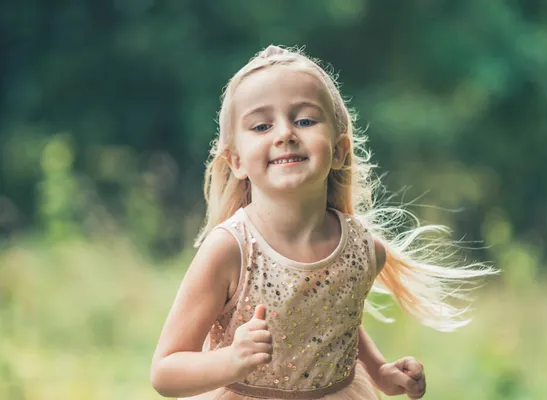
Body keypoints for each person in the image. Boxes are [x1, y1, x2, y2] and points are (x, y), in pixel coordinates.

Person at [150, 45, 497, 399]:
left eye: (304, 120)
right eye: (262, 125)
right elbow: (165, 371)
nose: (284, 133)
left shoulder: (362, 250)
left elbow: (332, 324)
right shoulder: (229, 251)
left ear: (340, 150)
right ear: (236, 160)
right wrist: (230, 361)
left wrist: (380, 372)